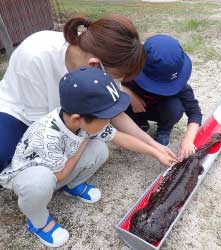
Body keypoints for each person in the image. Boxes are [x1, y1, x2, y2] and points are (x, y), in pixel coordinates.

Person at [0, 67, 177, 247]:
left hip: (61, 165)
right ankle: (38, 222)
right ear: (78, 119)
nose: (108, 122)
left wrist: (157, 152)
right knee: (39, 183)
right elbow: (58, 175)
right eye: (105, 119)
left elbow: (121, 138)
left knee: (100, 148)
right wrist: (83, 142)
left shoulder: (81, 118)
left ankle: (72, 185)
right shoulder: (47, 136)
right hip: (35, 176)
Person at [0, 14, 175, 174]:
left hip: (67, 114)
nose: (116, 84)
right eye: (116, 78)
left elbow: (115, 113)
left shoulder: (101, 68)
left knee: (87, 144)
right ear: (94, 65)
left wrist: (153, 145)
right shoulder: (36, 56)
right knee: (9, 156)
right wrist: (81, 136)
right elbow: (40, 126)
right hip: (20, 112)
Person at [123, 34, 202, 161]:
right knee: (121, 98)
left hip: (160, 111)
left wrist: (188, 140)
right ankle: (139, 124)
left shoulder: (180, 86)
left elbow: (195, 113)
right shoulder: (130, 74)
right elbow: (110, 82)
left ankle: (164, 129)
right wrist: (130, 94)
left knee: (175, 107)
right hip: (137, 109)